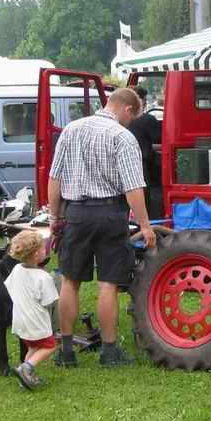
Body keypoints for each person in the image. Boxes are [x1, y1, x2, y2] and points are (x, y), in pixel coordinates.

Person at [47, 87, 156, 367]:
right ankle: (109, 352)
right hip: (109, 214)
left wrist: (54, 217)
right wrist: (145, 225)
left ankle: (66, 352)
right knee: (108, 282)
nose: (131, 122)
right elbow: (133, 188)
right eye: (133, 117)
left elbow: (54, 179)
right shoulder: (122, 137)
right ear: (127, 109)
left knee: (70, 281)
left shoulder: (70, 130)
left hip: (76, 213)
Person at [4, 230, 58, 390]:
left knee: (33, 347)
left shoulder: (16, 270)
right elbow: (50, 301)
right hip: (36, 321)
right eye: (43, 248)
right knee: (50, 346)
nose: (45, 250)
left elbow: (9, 286)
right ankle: (26, 368)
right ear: (36, 255)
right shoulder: (43, 277)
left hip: (20, 319)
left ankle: (24, 378)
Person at [128, 85, 162, 211]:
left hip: (127, 163)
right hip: (142, 165)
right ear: (141, 101)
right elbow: (162, 141)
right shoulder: (148, 120)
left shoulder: (120, 120)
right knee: (144, 198)